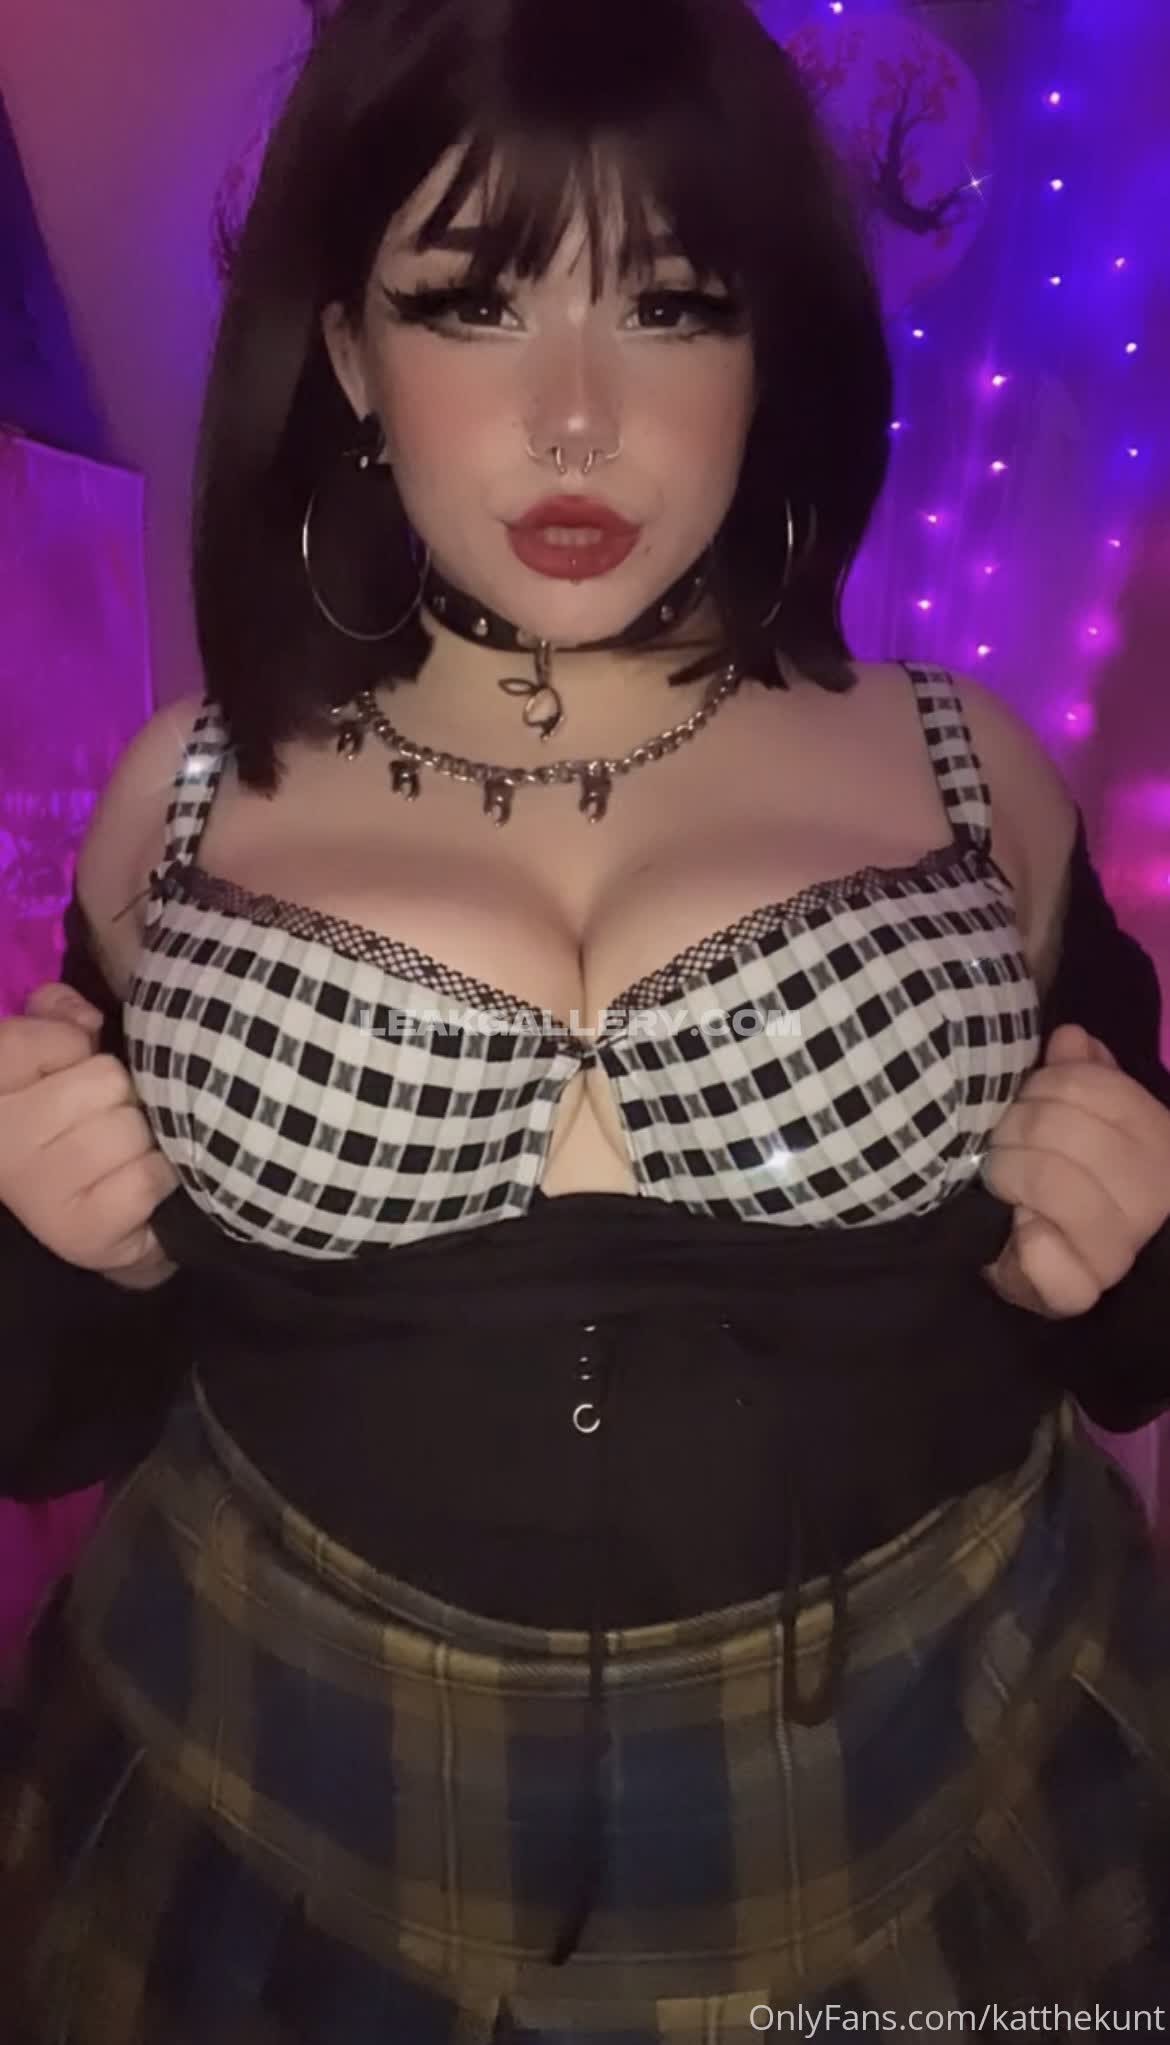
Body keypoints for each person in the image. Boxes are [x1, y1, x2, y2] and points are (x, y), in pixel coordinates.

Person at [3, 0, 1170, 2032]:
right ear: (349, 353)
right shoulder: (178, 791)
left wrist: (1140, 1239)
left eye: (671, 306)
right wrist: (41, 1245)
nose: (572, 422)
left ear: (767, 350)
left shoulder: (969, 764)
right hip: (283, 1777)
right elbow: (46, 1410)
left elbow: (1137, 1353)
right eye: (472, 305)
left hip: (924, 1774)